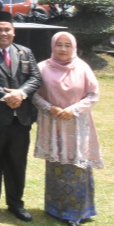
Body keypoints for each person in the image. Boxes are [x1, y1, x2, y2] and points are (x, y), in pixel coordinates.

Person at [0, 11, 43, 221]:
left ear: (14, 32)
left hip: (19, 120)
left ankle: (15, 203)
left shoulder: (25, 52)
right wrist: (6, 96)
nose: (3, 33)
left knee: (17, 163)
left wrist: (20, 93)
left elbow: (35, 77)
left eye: (7, 29)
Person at [33, 32, 103, 226]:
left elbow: (93, 94)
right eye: (59, 45)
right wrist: (50, 108)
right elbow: (34, 94)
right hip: (53, 123)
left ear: (74, 47)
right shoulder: (42, 68)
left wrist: (73, 110)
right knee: (56, 167)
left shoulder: (82, 68)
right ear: (53, 46)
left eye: (67, 45)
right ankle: (55, 208)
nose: (63, 49)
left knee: (77, 167)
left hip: (76, 124)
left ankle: (77, 212)